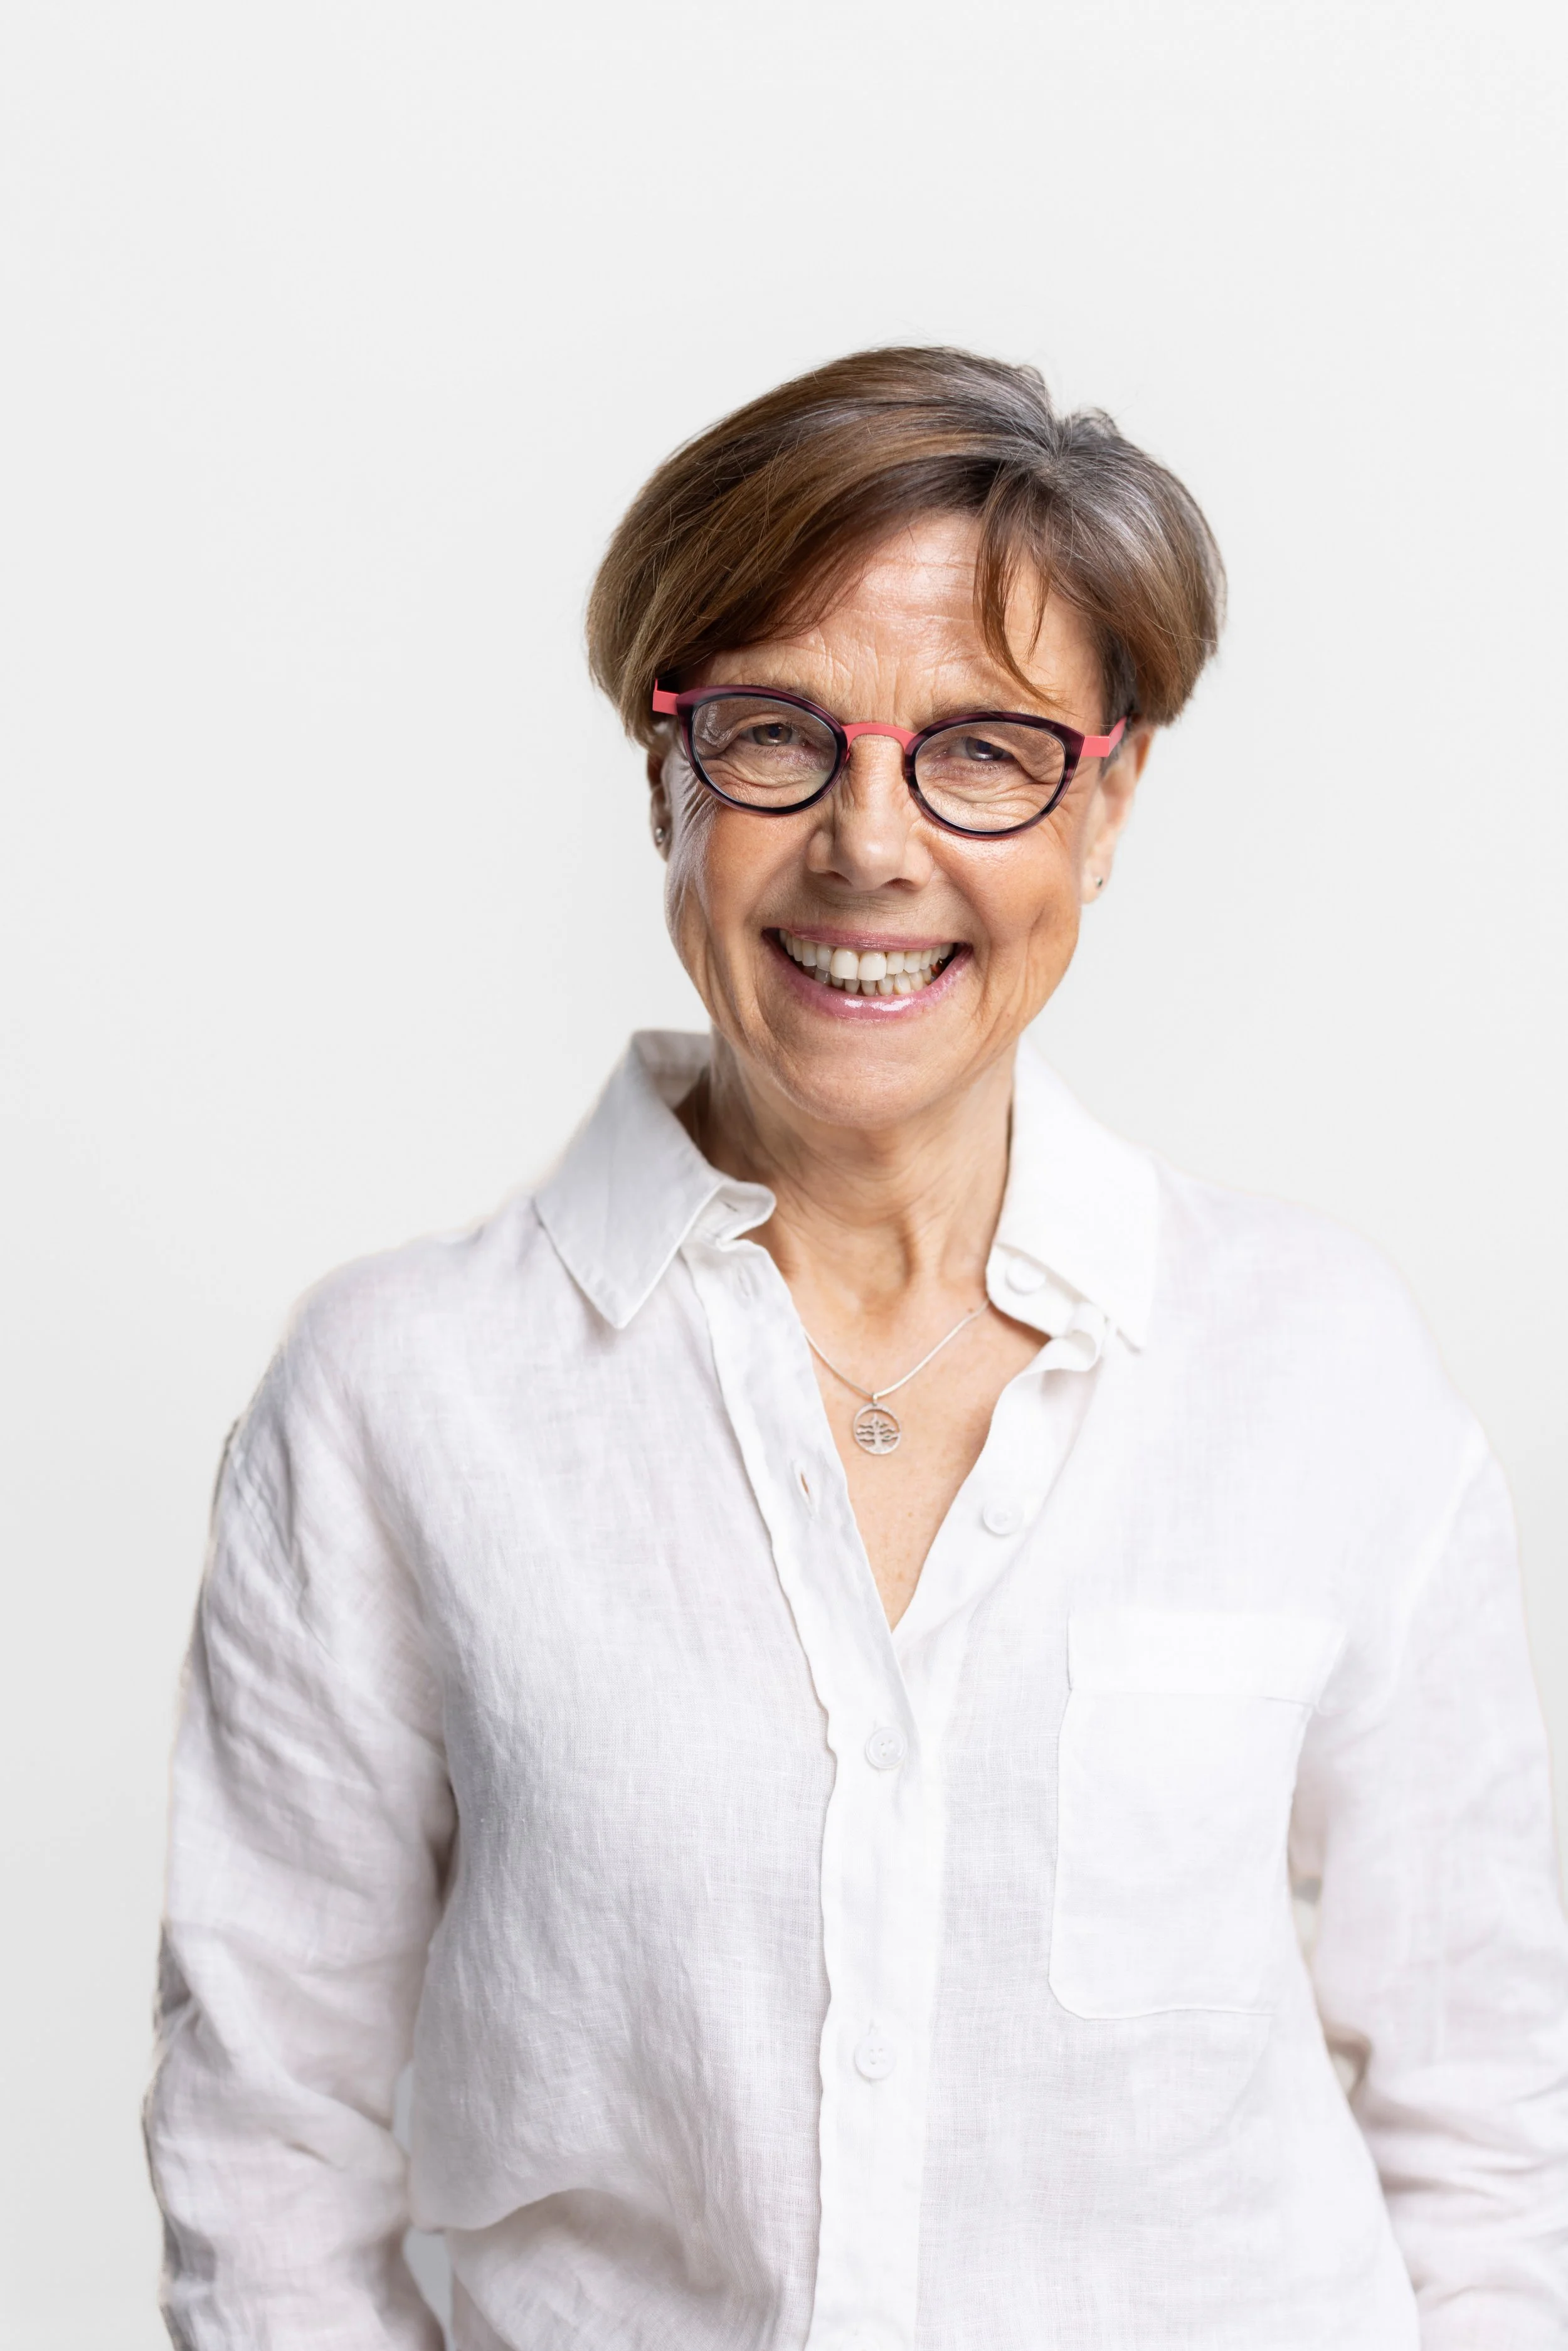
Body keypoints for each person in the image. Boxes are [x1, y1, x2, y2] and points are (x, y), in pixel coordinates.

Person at [146, 346, 1568, 2350]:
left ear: (1110, 792)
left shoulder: (1318, 1372)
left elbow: (1490, 2128)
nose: (868, 844)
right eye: (771, 738)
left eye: (982, 748)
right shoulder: (398, 1400)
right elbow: (265, 2147)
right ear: (662, 772)